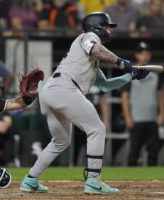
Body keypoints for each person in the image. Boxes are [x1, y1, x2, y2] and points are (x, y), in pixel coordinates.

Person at [20, 12, 148, 194]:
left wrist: (130, 75)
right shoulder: (89, 37)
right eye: (107, 27)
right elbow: (96, 49)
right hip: (64, 88)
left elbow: (104, 85)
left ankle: (30, 180)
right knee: (97, 129)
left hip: (50, 91)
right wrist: (121, 62)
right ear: (97, 27)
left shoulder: (88, 62)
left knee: (60, 141)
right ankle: (93, 181)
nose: (109, 30)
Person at [121, 42, 164, 166]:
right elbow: (125, 97)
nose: (144, 56)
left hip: (152, 119)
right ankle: (130, 179)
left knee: (153, 152)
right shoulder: (131, 74)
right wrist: (127, 117)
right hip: (136, 119)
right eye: (141, 53)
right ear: (137, 55)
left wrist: (162, 113)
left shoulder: (155, 75)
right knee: (134, 152)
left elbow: (160, 95)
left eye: (147, 53)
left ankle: (152, 181)